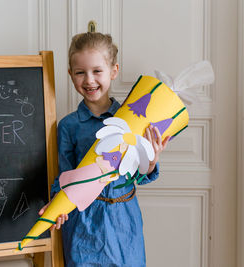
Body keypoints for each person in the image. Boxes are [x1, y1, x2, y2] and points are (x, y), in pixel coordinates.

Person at [39, 32, 170, 266]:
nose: (89, 80)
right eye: (80, 72)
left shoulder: (133, 119)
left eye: (97, 71)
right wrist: (57, 205)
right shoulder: (68, 126)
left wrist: (151, 159)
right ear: (70, 75)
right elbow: (64, 177)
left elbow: (139, 174)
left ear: (114, 70)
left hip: (124, 221)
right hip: (83, 225)